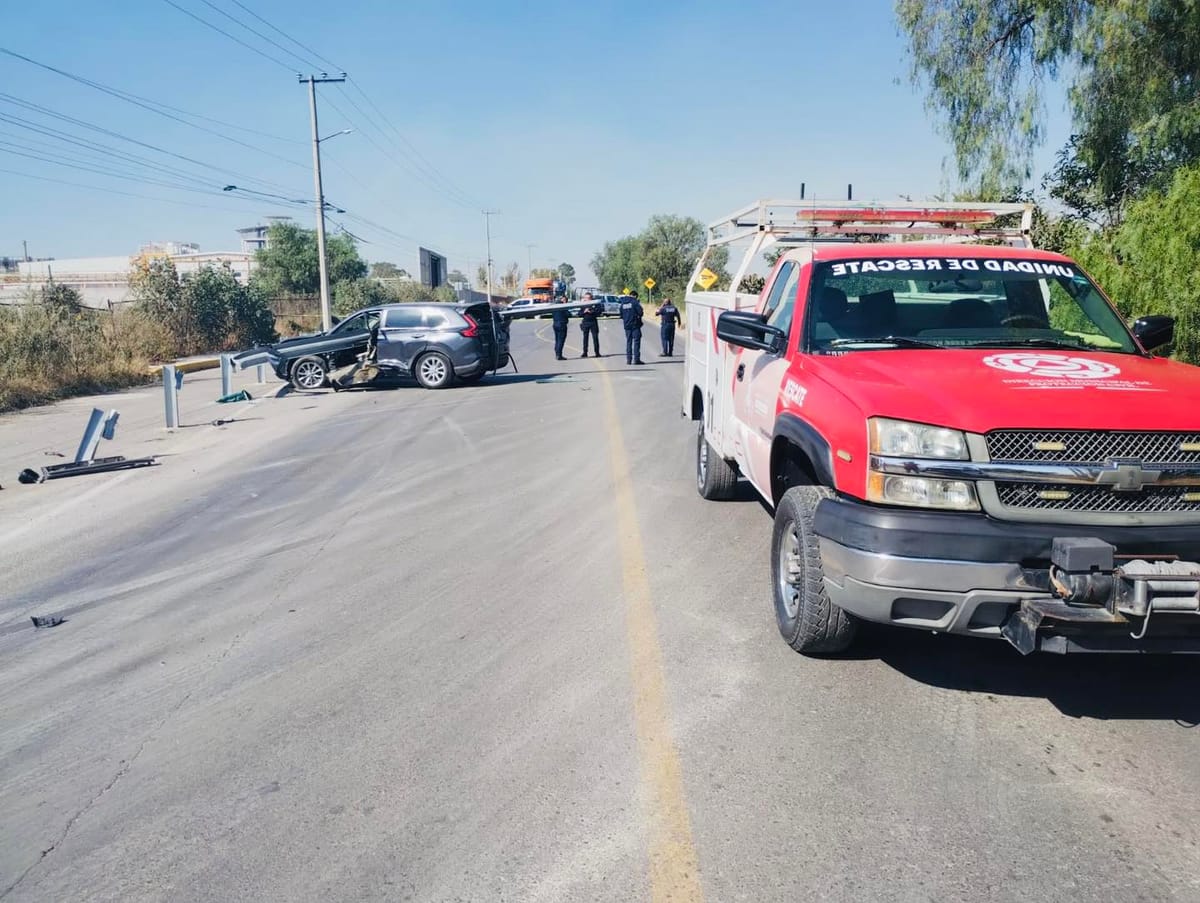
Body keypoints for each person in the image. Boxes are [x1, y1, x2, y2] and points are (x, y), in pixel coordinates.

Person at [620, 290, 645, 365]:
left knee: (629, 342)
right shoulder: (634, 302)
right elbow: (640, 313)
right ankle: (636, 359)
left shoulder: (623, 303)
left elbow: (621, 315)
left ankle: (629, 360)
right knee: (636, 342)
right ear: (635, 296)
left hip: (627, 325)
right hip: (635, 325)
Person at [578, 292, 601, 358]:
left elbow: (599, 312)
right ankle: (585, 352)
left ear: (591, 298)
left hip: (593, 322)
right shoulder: (583, 305)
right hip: (585, 323)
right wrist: (584, 311)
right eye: (586, 298)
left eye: (588, 298)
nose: (587, 299)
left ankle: (597, 352)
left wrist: (591, 311)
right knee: (585, 338)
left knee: (595, 338)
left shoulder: (594, 304)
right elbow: (579, 314)